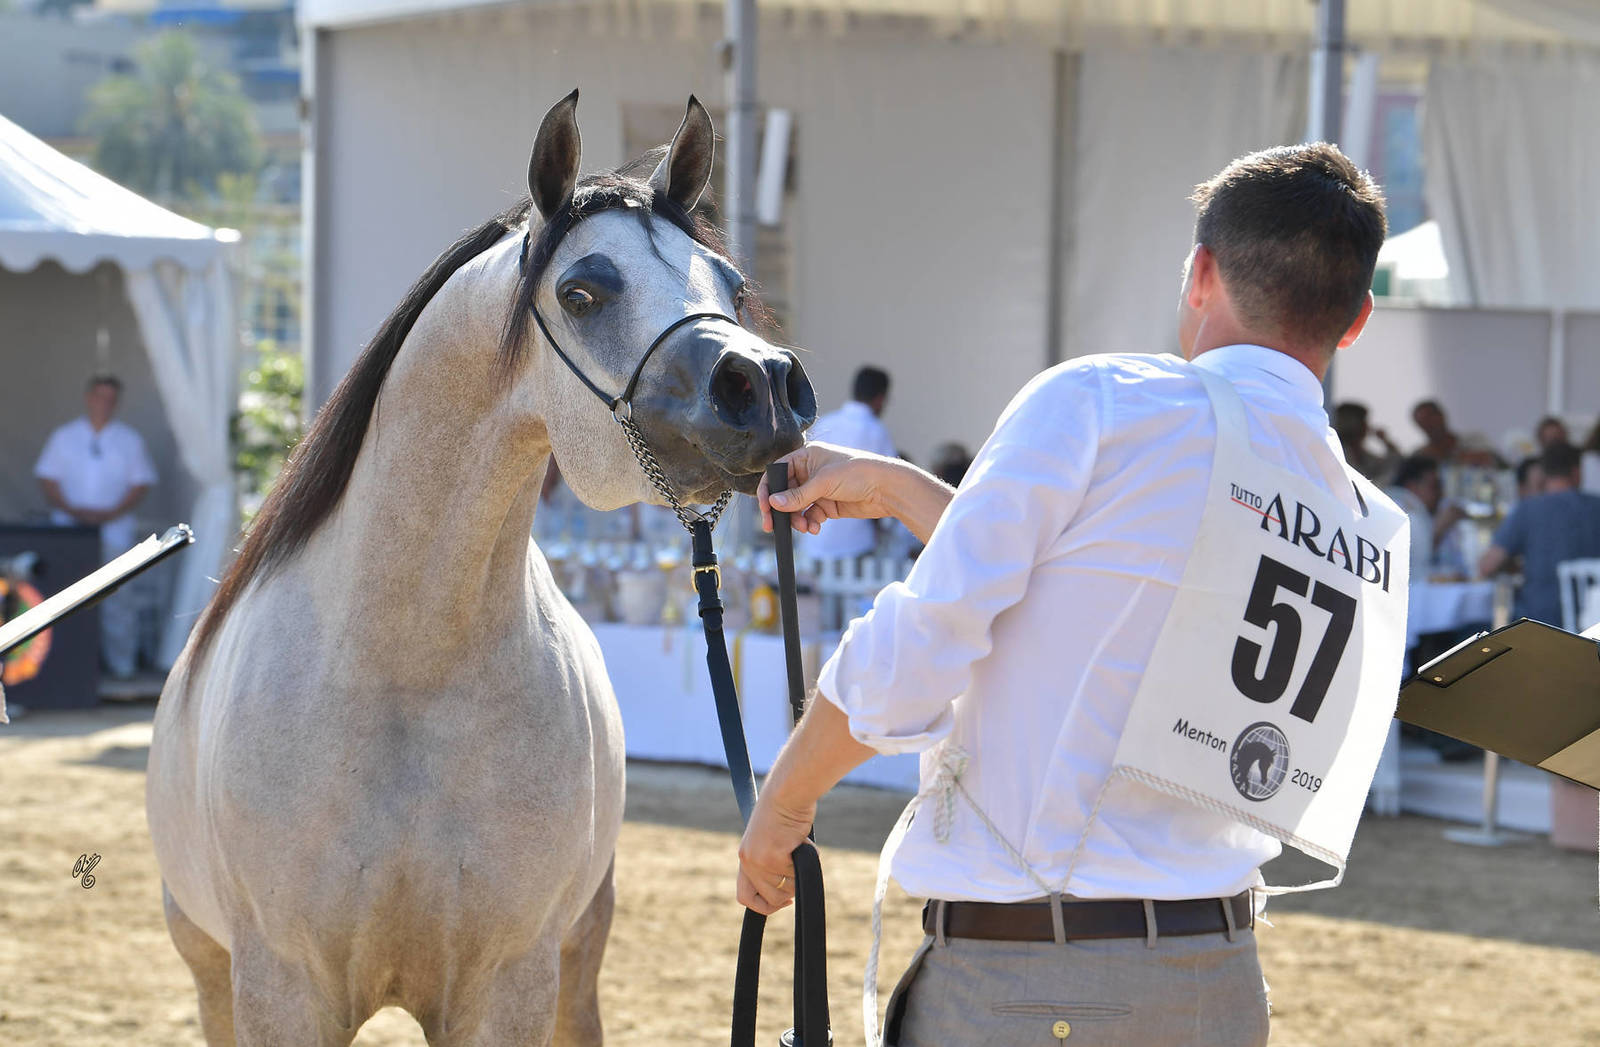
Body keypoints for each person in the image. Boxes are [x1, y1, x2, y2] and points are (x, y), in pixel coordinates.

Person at [737, 144, 1407, 1047]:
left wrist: (783, 806)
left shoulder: (1106, 399)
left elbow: (924, 639)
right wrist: (900, 490)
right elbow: (1112, 599)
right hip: (1218, 980)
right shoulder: (1366, 520)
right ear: (1358, 319)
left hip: (1036, 981)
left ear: (1201, 272)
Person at [34, 375, 157, 678]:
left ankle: (121, 666)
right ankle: (62, 669)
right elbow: (48, 479)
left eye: (110, 398)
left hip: (114, 529)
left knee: (118, 599)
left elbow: (140, 484)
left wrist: (111, 513)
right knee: (63, 596)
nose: (104, 403)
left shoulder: (129, 440)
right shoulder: (64, 436)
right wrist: (72, 510)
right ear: (89, 397)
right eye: (99, 396)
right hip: (69, 529)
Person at [1479, 442, 1600, 628]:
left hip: (1541, 626)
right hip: (1594, 624)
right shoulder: (1596, 506)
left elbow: (1487, 567)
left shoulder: (1528, 509)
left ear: (1543, 476)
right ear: (1577, 473)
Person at [797, 366, 898, 562]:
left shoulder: (824, 423)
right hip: (855, 541)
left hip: (813, 535)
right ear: (880, 399)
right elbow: (892, 484)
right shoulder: (876, 431)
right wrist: (887, 528)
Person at [1385, 455, 1467, 578]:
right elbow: (1414, 565)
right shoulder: (1399, 512)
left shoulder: (1422, 513)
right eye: (1435, 487)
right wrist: (1438, 530)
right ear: (1412, 487)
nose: (1440, 494)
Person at [1409, 399, 1501, 468]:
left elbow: (1497, 462)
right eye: (1423, 422)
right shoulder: (1419, 456)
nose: (1428, 425)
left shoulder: (1475, 440)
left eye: (1430, 419)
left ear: (1441, 415)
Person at [1332, 401, 1401, 484]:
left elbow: (1394, 464)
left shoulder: (1364, 455)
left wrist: (1386, 442)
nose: (1368, 427)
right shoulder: (1336, 450)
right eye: (1364, 422)